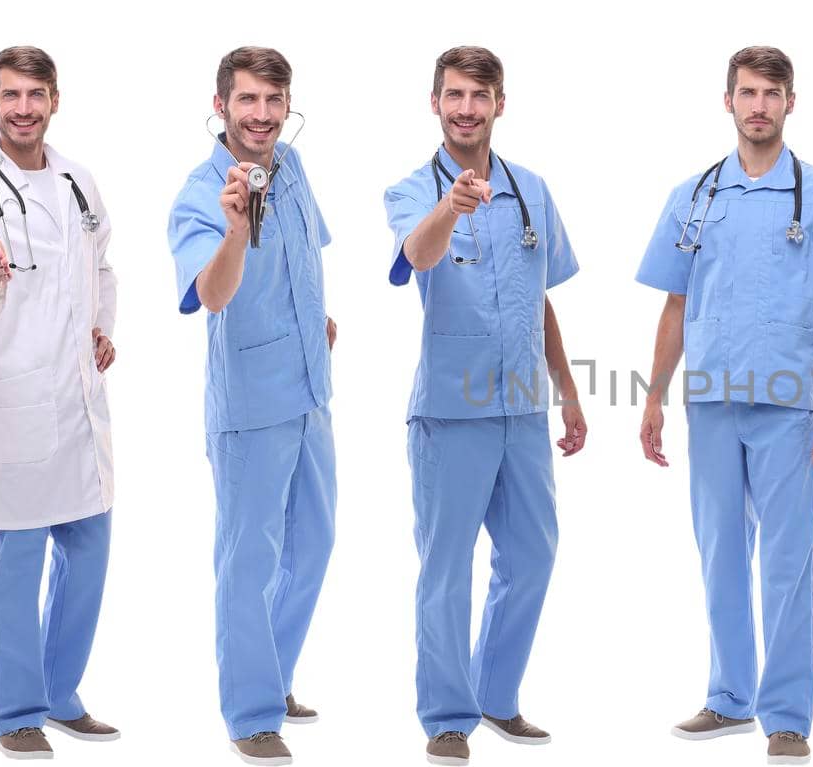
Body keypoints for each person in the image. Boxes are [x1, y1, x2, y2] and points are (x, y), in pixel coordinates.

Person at [636, 45, 813, 766]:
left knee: (785, 562)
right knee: (719, 555)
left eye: (771, 93)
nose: (759, 106)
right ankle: (728, 696)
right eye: (747, 92)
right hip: (709, 400)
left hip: (786, 408)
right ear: (729, 101)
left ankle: (786, 714)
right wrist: (652, 397)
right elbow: (676, 305)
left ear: (790, 102)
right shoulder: (696, 194)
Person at [382, 45, 585, 767]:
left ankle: (496, 694)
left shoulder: (532, 190)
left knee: (532, 554)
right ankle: (446, 715)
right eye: (454, 95)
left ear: (501, 103)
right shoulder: (413, 189)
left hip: (524, 410)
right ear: (435, 103)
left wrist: (569, 396)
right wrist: (450, 206)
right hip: (451, 413)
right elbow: (418, 255)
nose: (467, 107)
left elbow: (541, 299)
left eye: (480, 95)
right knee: (445, 569)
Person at [0, 44, 122, 761]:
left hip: (80, 400)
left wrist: (104, 327)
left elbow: (101, 264)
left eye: (34, 95)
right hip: (17, 397)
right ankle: (15, 709)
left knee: (90, 549)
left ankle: (60, 691)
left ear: (54, 100)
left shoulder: (79, 180)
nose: (22, 108)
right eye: (10, 95)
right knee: (14, 560)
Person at [168, 46, 338, 766]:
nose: (262, 116)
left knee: (313, 544)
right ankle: (250, 712)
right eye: (248, 101)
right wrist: (235, 228)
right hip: (250, 406)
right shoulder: (199, 194)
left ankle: (273, 674)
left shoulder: (291, 168)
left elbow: (309, 251)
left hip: (309, 390)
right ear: (221, 106)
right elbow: (211, 293)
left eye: (274, 101)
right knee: (248, 560)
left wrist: (317, 317)